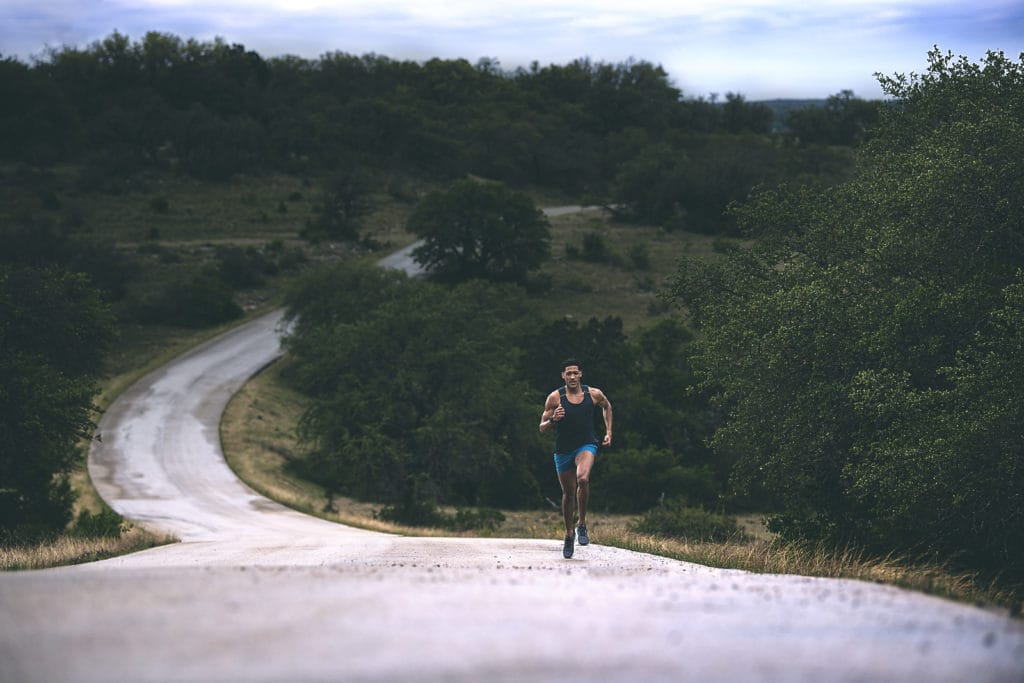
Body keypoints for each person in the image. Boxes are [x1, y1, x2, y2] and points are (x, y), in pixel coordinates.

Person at [539, 358, 613, 558]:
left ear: (581, 374)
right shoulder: (555, 398)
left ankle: (581, 523)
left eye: (575, 373)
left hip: (586, 445)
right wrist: (554, 419)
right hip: (563, 451)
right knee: (568, 494)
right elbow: (542, 427)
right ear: (563, 376)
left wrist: (608, 432)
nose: (572, 377)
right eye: (568, 373)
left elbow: (607, 406)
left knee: (583, 479)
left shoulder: (593, 394)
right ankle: (569, 533)